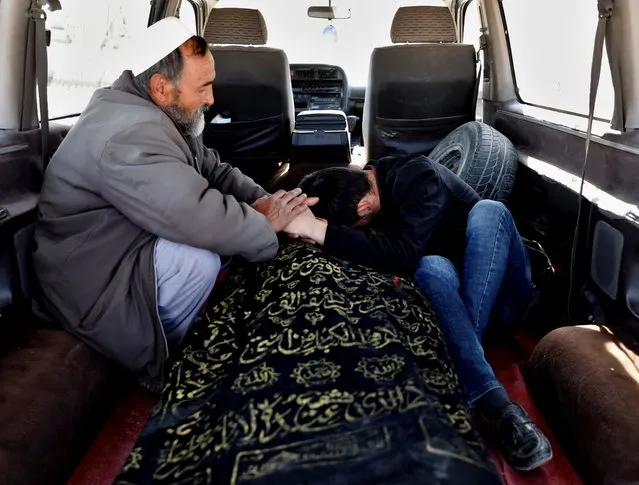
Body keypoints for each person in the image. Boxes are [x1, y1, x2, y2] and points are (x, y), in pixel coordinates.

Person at [33, 17, 315, 390]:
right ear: (161, 87)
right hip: (90, 277)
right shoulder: (130, 135)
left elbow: (215, 171)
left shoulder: (158, 114)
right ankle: (165, 364)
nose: (212, 99)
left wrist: (266, 200)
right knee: (196, 261)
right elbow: (196, 214)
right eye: (204, 87)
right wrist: (265, 223)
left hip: (119, 245)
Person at [291, 154, 553, 471]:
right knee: (430, 266)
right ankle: (498, 405)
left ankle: (469, 367)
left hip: (503, 295)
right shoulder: (368, 179)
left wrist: (324, 232)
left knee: (489, 210)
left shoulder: (418, 177)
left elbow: (402, 255)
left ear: (362, 209)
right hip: (457, 297)